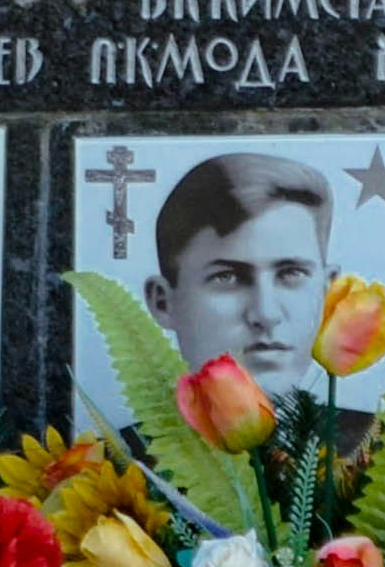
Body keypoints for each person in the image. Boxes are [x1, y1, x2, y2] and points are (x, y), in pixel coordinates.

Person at [140, 151, 332, 410]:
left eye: (291, 274)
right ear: (163, 303)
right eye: (227, 277)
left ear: (329, 290)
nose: (266, 314)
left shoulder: (381, 442)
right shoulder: (106, 451)